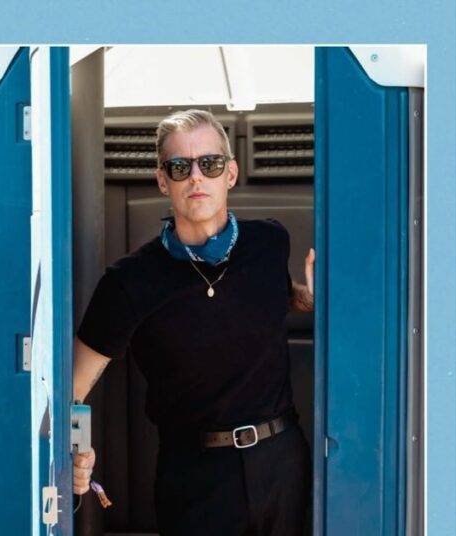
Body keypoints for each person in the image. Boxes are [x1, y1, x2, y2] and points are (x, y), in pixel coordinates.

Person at [71, 109, 315, 535]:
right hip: (196, 475)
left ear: (230, 173)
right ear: (163, 180)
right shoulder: (129, 281)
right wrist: (75, 452)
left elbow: (276, 295)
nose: (196, 177)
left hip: (282, 459)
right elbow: (72, 386)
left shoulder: (269, 242)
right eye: (180, 167)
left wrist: (307, 299)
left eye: (210, 163)